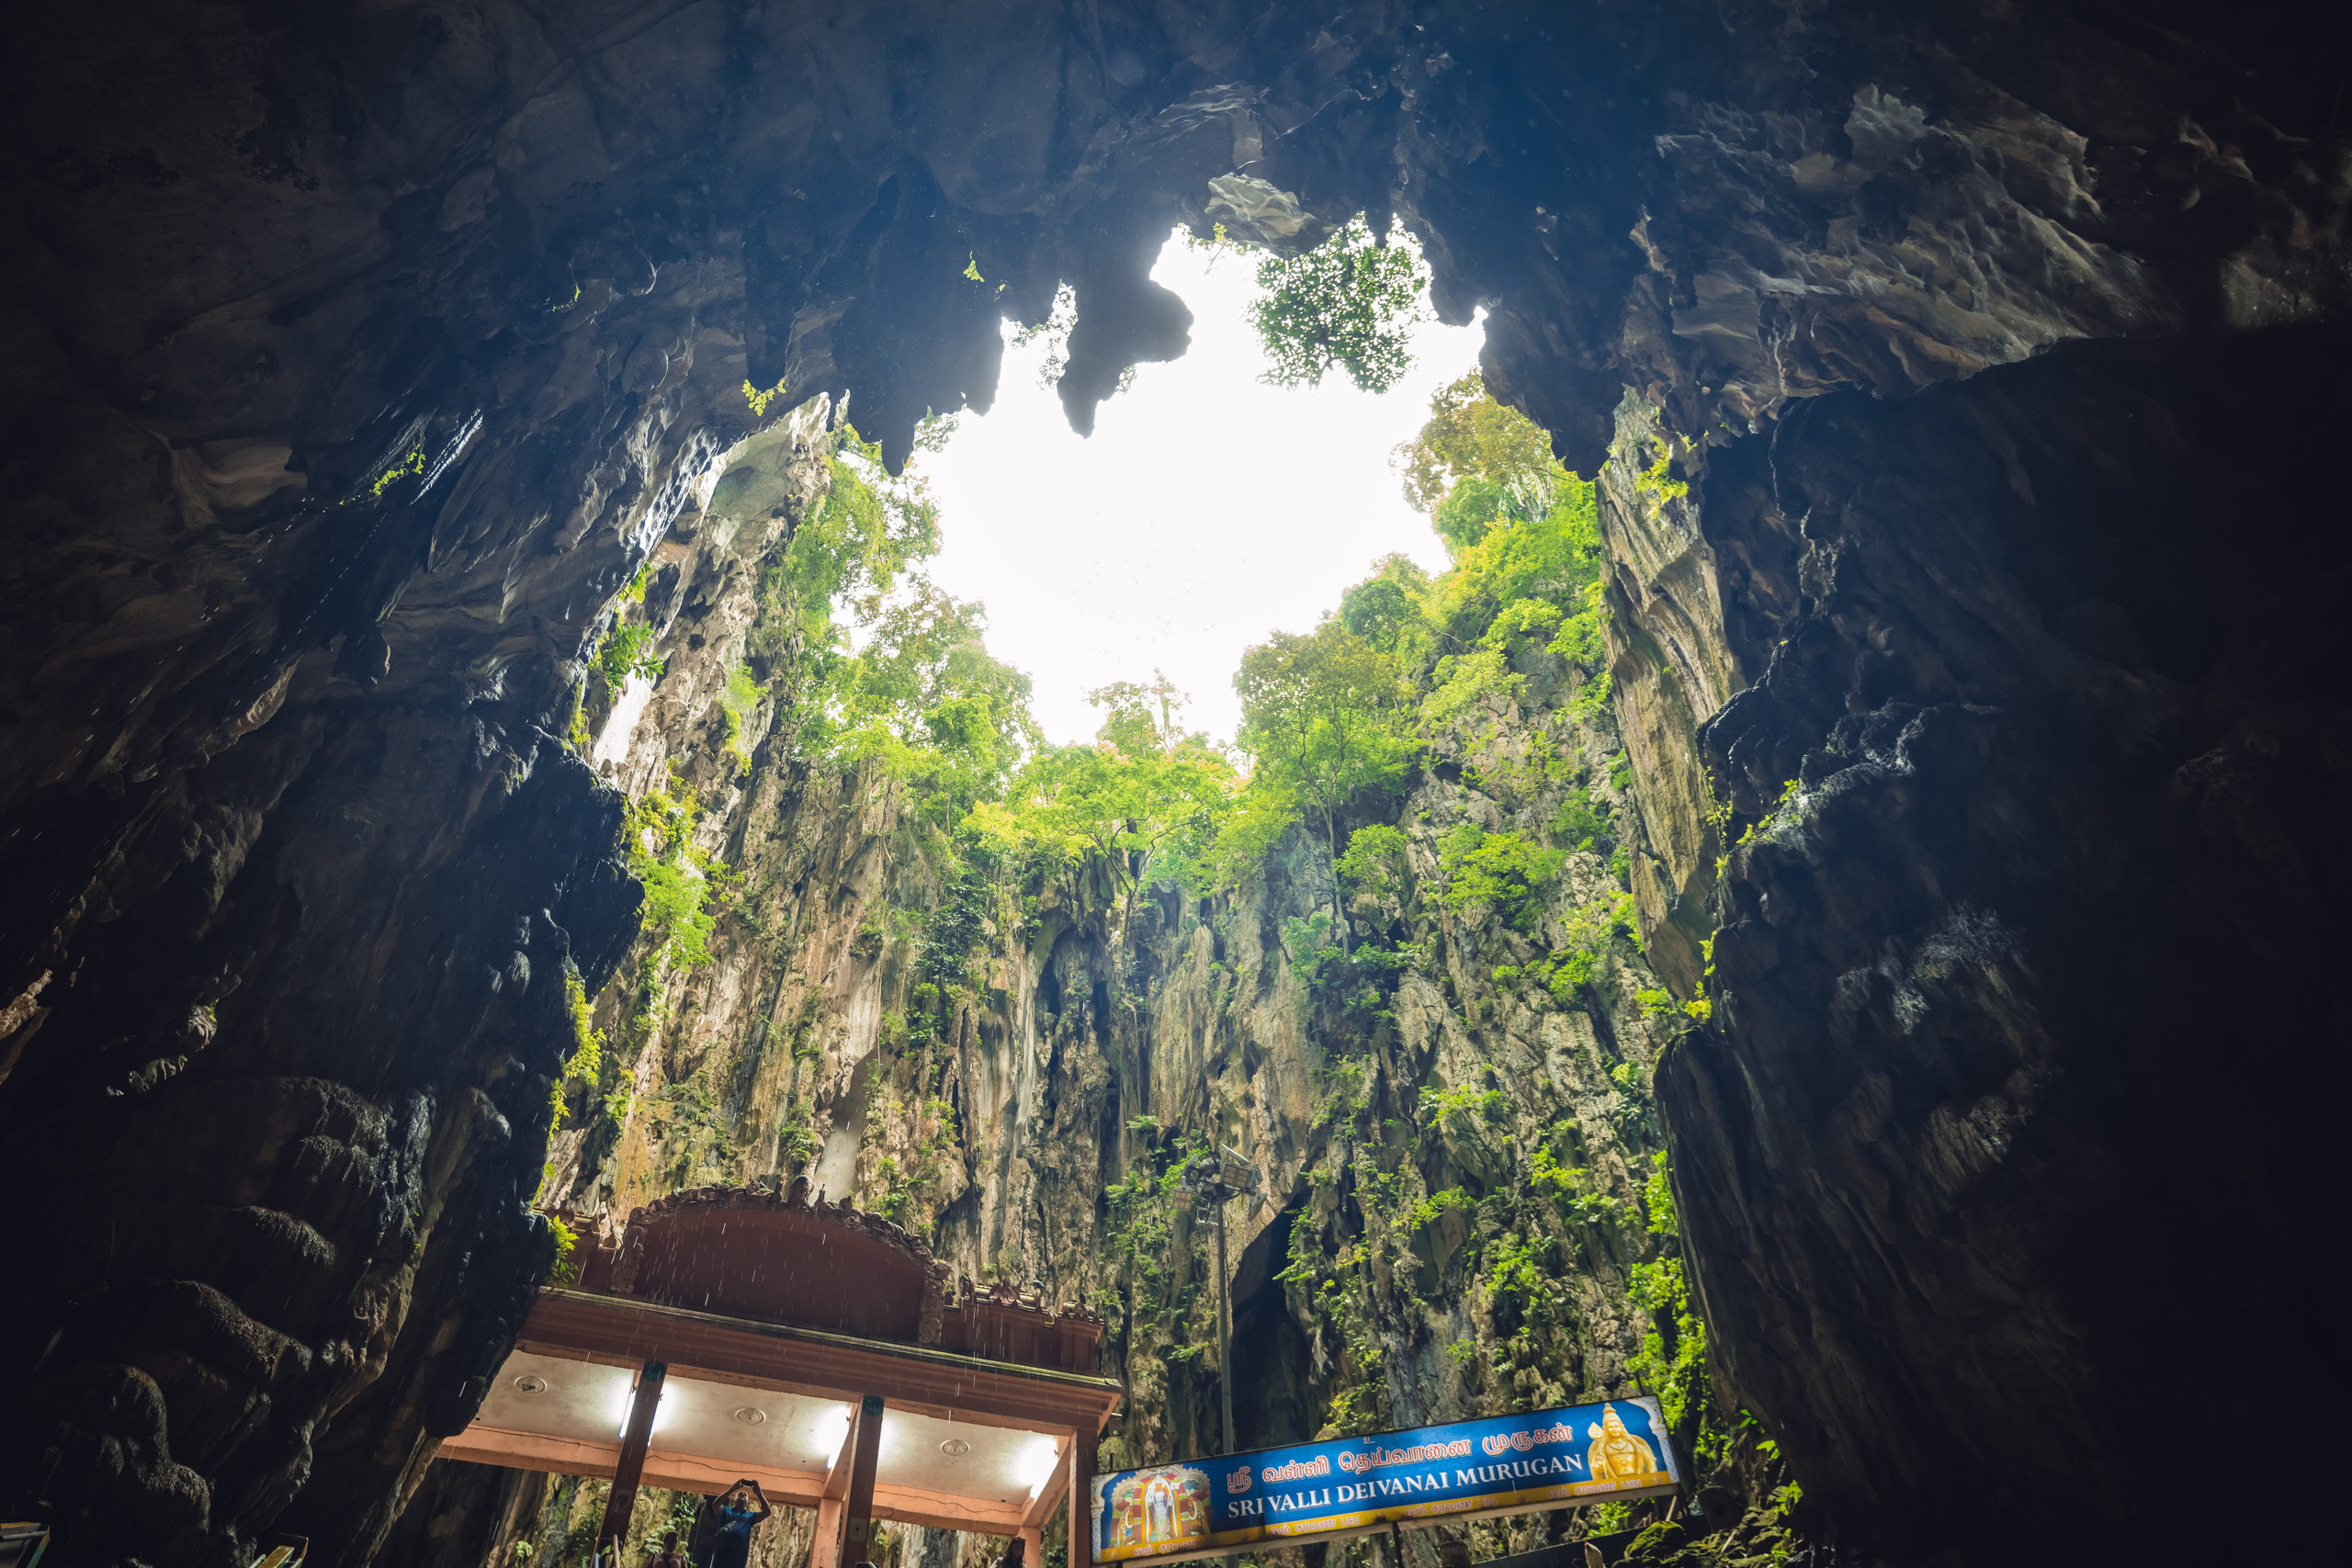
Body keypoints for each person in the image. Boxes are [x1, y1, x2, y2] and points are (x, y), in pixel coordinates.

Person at [698, 1480, 772, 1568]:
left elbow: (767, 1512)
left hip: (739, 1558)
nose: (743, 1494)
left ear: (747, 1503)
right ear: (734, 1499)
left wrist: (759, 1493)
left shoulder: (750, 1516)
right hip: (722, 1555)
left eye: (745, 1495)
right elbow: (715, 1505)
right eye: (739, 1494)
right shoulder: (726, 1510)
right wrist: (732, 1489)